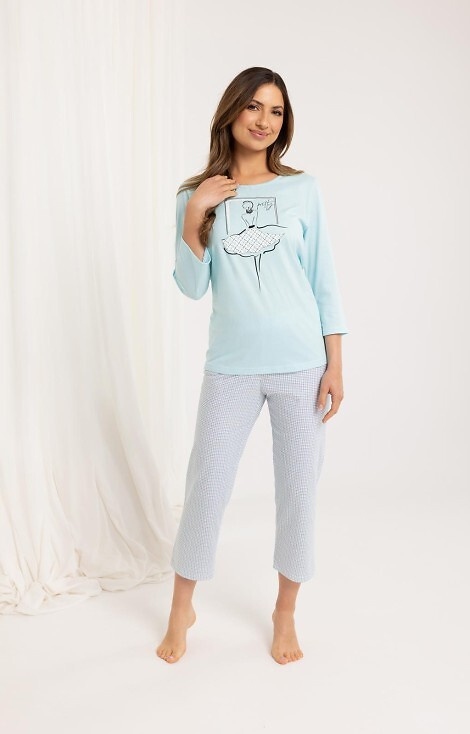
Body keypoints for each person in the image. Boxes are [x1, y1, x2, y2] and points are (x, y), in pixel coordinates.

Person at [156, 66, 349, 665]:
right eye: (254, 107)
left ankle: (284, 611)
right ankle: (181, 607)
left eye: (276, 111)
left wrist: (335, 364)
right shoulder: (196, 195)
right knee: (207, 487)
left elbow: (323, 278)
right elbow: (192, 287)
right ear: (232, 111)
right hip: (231, 368)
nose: (265, 121)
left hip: (301, 366)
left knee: (298, 494)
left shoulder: (303, 190)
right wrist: (195, 214)